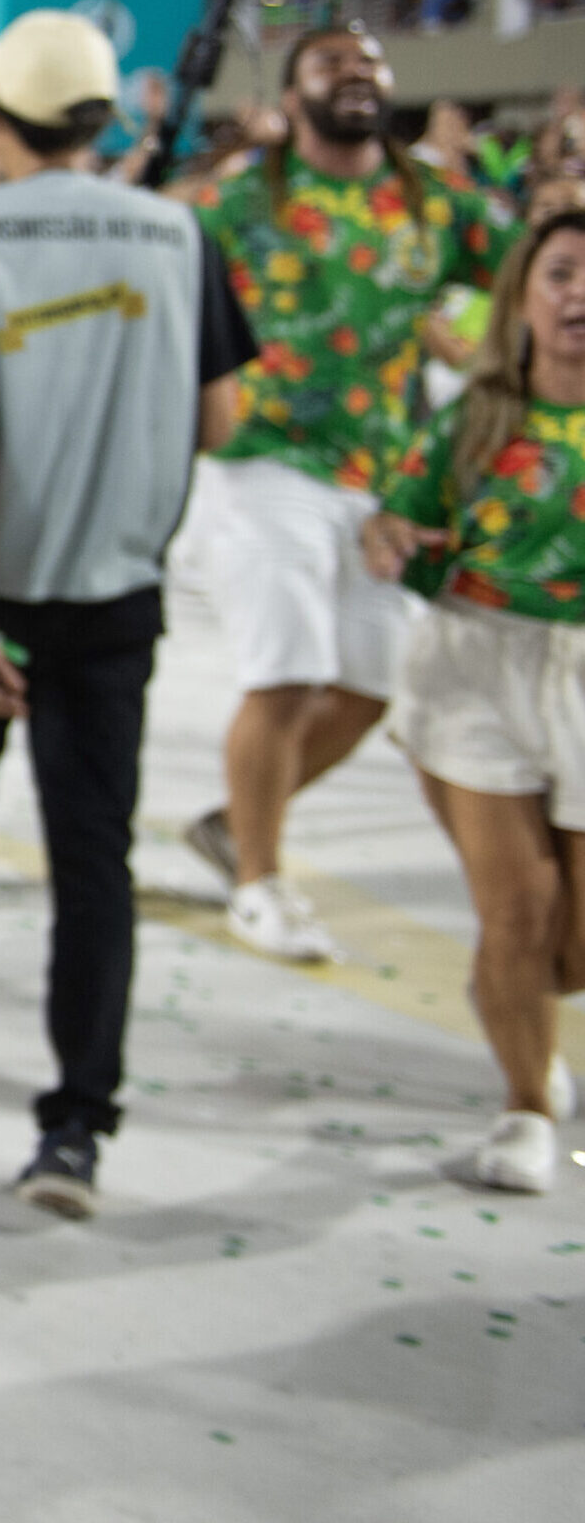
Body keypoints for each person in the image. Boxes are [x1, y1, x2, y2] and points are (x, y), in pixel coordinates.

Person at [0, 10, 258, 1218]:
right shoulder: (179, 234)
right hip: (114, 595)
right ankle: (78, 1124)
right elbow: (221, 422)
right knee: (91, 853)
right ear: (99, 119)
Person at [181, 26, 505, 960]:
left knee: (368, 687)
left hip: (385, 478)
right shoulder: (245, 196)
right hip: (263, 460)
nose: (356, 75)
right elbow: (163, 270)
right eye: (332, 64)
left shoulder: (434, 202)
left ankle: (233, 822)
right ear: (292, 94)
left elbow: (528, 270)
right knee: (285, 676)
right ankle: (259, 882)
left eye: (369, 64)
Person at [361, 208, 585, 1193]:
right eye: (562, 274)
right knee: (518, 914)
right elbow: (393, 526)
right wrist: (386, 544)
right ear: (524, 298)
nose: (578, 295)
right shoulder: (471, 416)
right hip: (472, 672)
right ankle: (525, 1104)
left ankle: (533, 1032)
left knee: (569, 949)